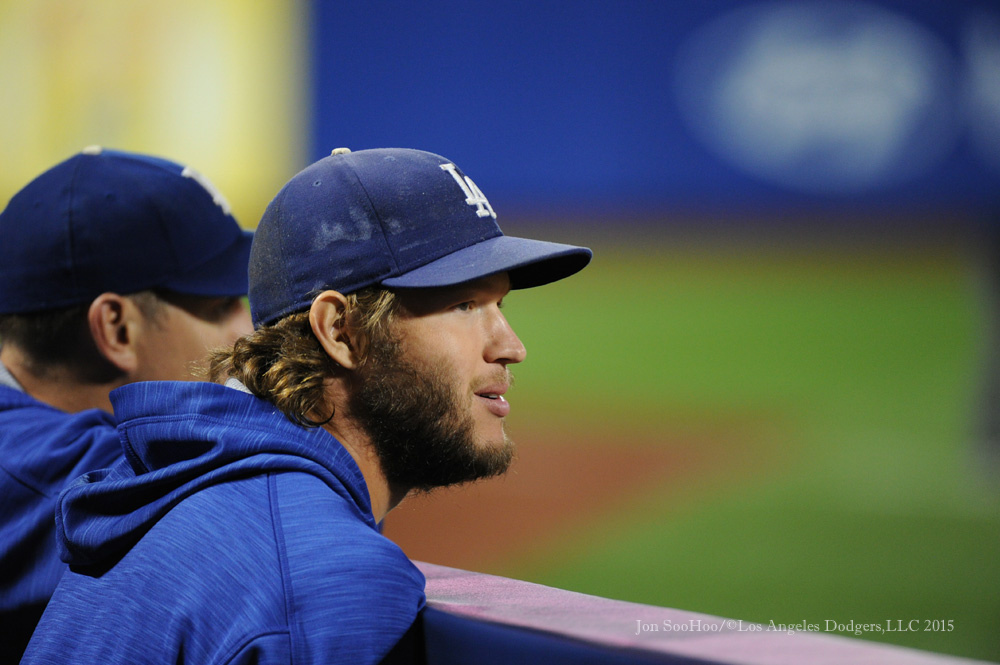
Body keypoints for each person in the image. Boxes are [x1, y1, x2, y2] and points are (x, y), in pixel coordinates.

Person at [20, 147, 592, 664]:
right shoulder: (319, 578)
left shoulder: (182, 482)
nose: (511, 347)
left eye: (500, 304)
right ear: (339, 331)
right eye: (465, 305)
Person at [0, 147, 254, 661]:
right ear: (116, 327)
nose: (247, 331)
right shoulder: (41, 475)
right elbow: (274, 504)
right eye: (219, 305)